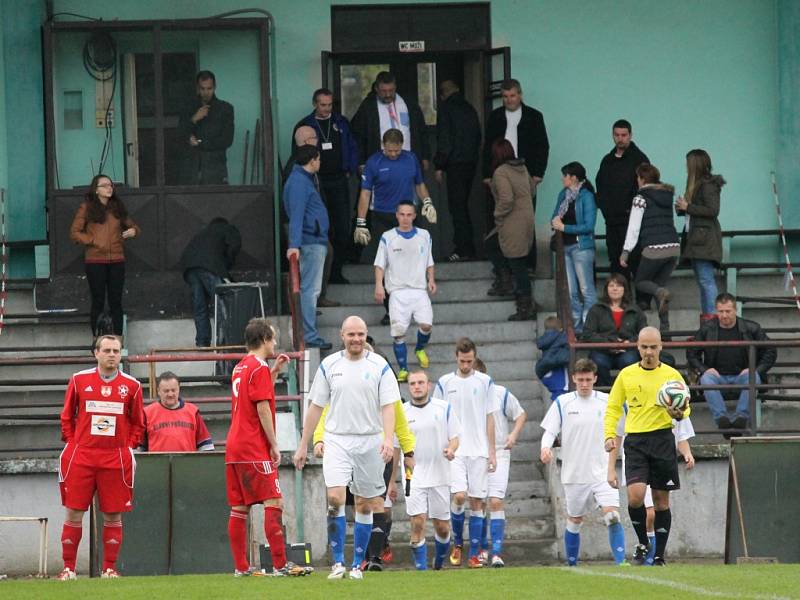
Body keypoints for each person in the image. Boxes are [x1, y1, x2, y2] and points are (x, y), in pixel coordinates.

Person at [293, 316, 397, 581]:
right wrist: (304, 444)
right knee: (336, 499)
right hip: (337, 439)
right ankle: (337, 563)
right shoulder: (329, 365)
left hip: (370, 440)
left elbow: (389, 406)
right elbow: (315, 406)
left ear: (366, 335)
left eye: (361, 334)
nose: (356, 339)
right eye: (351, 334)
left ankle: (355, 565)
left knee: (364, 505)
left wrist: (388, 439)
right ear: (342, 335)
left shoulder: (380, 366)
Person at [311, 342, 416, 572]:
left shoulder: (382, 379)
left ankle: (373, 557)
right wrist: (318, 439)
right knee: (343, 501)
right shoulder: (342, 380)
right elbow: (326, 411)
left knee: (376, 503)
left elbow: (398, 417)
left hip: (376, 447)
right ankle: (350, 557)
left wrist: (408, 451)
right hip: (344, 447)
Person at [56, 335, 145, 580]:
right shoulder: (78, 380)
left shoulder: (133, 385)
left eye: (116, 351)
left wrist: (127, 445)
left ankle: (109, 569)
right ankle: (68, 569)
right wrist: (74, 442)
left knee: (113, 514)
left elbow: (139, 422)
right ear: (96, 353)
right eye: (106, 350)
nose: (112, 355)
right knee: (74, 512)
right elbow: (66, 416)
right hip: (82, 456)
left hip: (115, 458)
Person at [224, 318, 307, 577]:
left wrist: (275, 370)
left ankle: (241, 568)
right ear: (263, 339)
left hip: (234, 448)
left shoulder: (241, 367)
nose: (274, 343)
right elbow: (261, 407)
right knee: (275, 501)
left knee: (239, 508)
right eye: (272, 338)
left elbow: (255, 393)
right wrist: (274, 444)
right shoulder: (257, 367)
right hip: (252, 446)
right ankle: (282, 565)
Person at [604, 326, 691, 566]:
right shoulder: (627, 375)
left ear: (661, 346)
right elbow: (612, 407)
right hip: (636, 441)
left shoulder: (672, 376)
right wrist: (609, 435)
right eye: (644, 347)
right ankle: (643, 542)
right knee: (635, 497)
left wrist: (679, 412)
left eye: (653, 347)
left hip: (662, 439)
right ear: (637, 347)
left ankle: (660, 555)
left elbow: (685, 407)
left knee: (661, 501)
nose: (649, 352)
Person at [540, 359, 627, 567]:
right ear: (574, 379)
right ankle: (572, 565)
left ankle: (621, 562)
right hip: (574, 474)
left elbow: (620, 432)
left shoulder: (607, 402)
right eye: (580, 380)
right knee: (575, 520)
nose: (585, 384)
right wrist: (545, 447)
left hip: (603, 471)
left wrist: (617, 462)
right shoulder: (563, 403)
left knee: (613, 515)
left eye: (588, 379)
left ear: (595, 378)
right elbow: (550, 430)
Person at [355, 128, 436, 325]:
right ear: (383, 146)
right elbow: (365, 194)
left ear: (402, 146)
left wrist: (427, 202)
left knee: (412, 262)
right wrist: (361, 222)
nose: (393, 154)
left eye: (396, 151)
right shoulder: (374, 162)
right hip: (383, 216)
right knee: (386, 264)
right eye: (389, 150)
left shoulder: (410, 159)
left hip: (408, 215)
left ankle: (415, 308)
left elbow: (419, 184)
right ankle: (391, 310)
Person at [431, 337, 497, 569]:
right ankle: (458, 542)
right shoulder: (444, 382)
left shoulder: (485, 382)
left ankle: (475, 553)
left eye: (470, 361)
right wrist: (443, 446)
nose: (466, 365)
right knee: (459, 496)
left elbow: (490, 417)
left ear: (474, 358)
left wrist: (492, 451)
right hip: (456, 450)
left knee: (477, 502)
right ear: (456, 357)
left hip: (479, 449)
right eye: (462, 361)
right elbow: (437, 417)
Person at [608, 406, 695, 565]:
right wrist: (611, 467)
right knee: (636, 500)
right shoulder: (630, 399)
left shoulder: (673, 398)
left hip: (662, 455)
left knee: (656, 508)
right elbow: (618, 436)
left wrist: (687, 453)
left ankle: (657, 557)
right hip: (636, 458)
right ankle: (644, 543)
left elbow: (681, 434)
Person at [293, 88, 360, 284]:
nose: (326, 108)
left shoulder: (341, 122)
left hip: (339, 179)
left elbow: (352, 146)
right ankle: (321, 275)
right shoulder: (305, 125)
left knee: (341, 226)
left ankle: (337, 271)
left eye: (330, 105)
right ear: (315, 104)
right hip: (317, 181)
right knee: (320, 225)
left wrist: (351, 167)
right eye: (323, 105)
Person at [483, 78, 549, 271]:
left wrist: (537, 174)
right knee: (501, 218)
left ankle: (527, 265)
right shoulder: (495, 116)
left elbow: (542, 146)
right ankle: (502, 267)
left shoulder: (534, 116)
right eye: (505, 96)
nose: (509, 100)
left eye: (512, 95)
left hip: (524, 172)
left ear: (520, 95)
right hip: (500, 172)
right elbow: (487, 146)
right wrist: (487, 174)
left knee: (525, 220)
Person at [686, 293, 776, 433]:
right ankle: (722, 420)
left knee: (753, 376)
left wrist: (756, 369)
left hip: (742, 377)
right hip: (717, 378)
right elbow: (692, 352)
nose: (724, 315)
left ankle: (741, 418)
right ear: (716, 311)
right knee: (706, 379)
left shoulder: (751, 327)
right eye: (721, 311)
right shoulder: (707, 329)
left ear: (735, 310)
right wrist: (704, 369)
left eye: (728, 311)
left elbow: (770, 351)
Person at [400, 370, 461, 570]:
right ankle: (421, 569)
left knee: (442, 527)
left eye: (420, 383)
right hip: (413, 475)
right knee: (417, 522)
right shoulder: (402, 412)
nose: (416, 386)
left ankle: (439, 563)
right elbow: (393, 446)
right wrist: (391, 481)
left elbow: (455, 437)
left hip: (440, 473)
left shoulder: (444, 408)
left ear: (429, 385)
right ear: (408, 387)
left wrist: (451, 449)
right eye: (412, 383)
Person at [70, 174, 140, 337]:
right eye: (105, 185)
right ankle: (97, 339)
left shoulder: (117, 207)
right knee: (98, 301)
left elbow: (134, 226)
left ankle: (118, 339)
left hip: (117, 259)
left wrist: (133, 231)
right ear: (96, 190)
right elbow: (74, 233)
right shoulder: (86, 208)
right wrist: (93, 240)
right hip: (95, 260)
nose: (110, 188)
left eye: (111, 185)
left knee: (116, 302)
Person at [374, 200, 436, 382]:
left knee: (426, 325)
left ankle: (419, 348)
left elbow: (429, 260)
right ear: (396, 215)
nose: (405, 218)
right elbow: (379, 264)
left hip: (419, 290)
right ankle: (403, 369)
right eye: (402, 214)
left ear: (415, 216)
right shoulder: (388, 237)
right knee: (399, 332)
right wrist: (379, 285)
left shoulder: (424, 235)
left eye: (409, 215)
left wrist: (431, 279)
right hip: (398, 291)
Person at [473, 359, 525, 568]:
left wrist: (512, 434)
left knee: (495, 501)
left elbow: (520, 414)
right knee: (478, 503)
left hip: (500, 454)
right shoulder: (462, 397)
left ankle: (496, 552)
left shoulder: (500, 393)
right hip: (473, 454)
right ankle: (481, 550)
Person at [619, 164, 679, 331]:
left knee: (640, 282)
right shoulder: (667, 196)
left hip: (654, 247)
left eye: (638, 177)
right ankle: (665, 329)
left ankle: (660, 294)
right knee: (659, 289)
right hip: (674, 246)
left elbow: (634, 227)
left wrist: (626, 251)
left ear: (642, 179)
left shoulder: (640, 198)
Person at [283, 145, 332, 350]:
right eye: (318, 159)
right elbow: (296, 215)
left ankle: (308, 333)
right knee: (310, 291)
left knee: (310, 290)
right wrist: (294, 245)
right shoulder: (299, 183)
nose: (320, 163)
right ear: (312, 160)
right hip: (310, 241)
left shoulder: (301, 180)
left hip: (313, 240)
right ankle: (309, 335)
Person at [485, 139, 536, 321]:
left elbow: (506, 199)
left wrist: (497, 214)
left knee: (517, 264)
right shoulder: (522, 168)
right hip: (526, 219)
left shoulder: (501, 172)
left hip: (511, 221)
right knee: (493, 245)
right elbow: (532, 190)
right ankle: (506, 282)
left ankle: (524, 306)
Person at [594, 119, 650, 283]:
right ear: (613, 135)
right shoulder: (607, 160)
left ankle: (642, 302)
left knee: (636, 262)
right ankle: (621, 302)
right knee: (616, 263)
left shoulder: (639, 159)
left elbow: (646, 188)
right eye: (617, 135)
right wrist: (605, 209)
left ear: (630, 135)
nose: (620, 138)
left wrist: (631, 210)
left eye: (624, 135)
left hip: (633, 222)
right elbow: (601, 185)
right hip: (612, 222)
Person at [433, 80, 482, 262]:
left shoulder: (446, 109)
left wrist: (439, 165)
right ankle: (468, 248)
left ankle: (463, 249)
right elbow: (477, 136)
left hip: (454, 165)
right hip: (470, 163)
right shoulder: (470, 108)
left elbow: (445, 139)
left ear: (442, 94)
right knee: (464, 206)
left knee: (457, 208)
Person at [675, 149, 725, 322]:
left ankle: (712, 318)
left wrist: (687, 207)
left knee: (706, 281)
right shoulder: (697, 184)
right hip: (695, 239)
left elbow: (713, 210)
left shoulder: (708, 184)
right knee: (703, 282)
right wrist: (683, 208)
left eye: (688, 163)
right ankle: (708, 319)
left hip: (703, 240)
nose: (685, 167)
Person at [550, 162, 598, 331]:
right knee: (571, 291)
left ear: (574, 178)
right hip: (565, 247)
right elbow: (555, 215)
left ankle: (589, 326)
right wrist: (555, 222)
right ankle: (576, 328)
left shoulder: (587, 196)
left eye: (565, 175)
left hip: (581, 247)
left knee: (586, 289)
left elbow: (588, 225)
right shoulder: (563, 194)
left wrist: (564, 228)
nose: (562, 178)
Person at [351, 70, 429, 173]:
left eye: (391, 90)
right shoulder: (368, 107)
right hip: (380, 161)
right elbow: (358, 136)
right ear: (376, 89)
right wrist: (361, 162)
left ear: (395, 87)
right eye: (384, 91)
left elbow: (421, 130)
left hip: (408, 159)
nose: (388, 94)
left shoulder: (409, 103)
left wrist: (425, 156)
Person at [180, 217, 242, 347]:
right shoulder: (228, 228)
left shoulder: (203, 232)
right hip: (211, 267)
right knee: (221, 304)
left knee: (200, 306)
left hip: (190, 268)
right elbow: (234, 245)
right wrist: (227, 264)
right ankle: (225, 342)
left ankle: (202, 342)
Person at [580, 274, 647, 387]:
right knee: (598, 362)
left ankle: (628, 393)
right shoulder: (596, 309)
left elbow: (644, 333)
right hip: (602, 350)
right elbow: (587, 334)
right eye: (611, 285)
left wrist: (628, 343)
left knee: (629, 362)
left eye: (619, 285)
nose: (615, 288)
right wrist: (610, 343)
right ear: (606, 289)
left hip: (627, 350)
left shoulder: (635, 310)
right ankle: (607, 393)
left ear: (625, 289)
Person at [177, 70, 234, 185]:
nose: (206, 92)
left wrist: (200, 142)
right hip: (191, 168)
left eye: (209, 88)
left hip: (215, 168)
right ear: (198, 88)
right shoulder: (188, 107)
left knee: (216, 201)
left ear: (215, 87)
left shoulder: (225, 109)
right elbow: (179, 134)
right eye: (203, 89)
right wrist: (194, 119)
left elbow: (227, 140)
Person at [141, 371, 214, 452]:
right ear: (158, 391)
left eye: (173, 390)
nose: (170, 394)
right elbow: (138, 449)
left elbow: (206, 446)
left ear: (179, 389)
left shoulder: (193, 412)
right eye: (166, 391)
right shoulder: (147, 413)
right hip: (157, 464)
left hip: (187, 463)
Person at [536, 316, 570, 401]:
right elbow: (564, 357)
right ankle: (557, 412)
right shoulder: (562, 337)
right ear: (561, 328)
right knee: (562, 394)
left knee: (557, 395)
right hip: (557, 372)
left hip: (546, 372)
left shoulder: (544, 339)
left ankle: (556, 410)